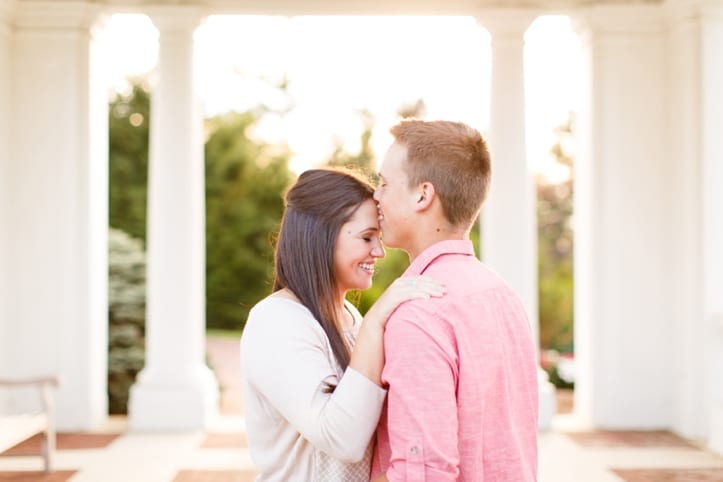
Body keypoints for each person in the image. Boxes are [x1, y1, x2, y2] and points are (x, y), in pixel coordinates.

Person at [241, 168, 445, 482]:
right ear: (321, 234)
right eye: (367, 237)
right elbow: (342, 440)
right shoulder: (277, 321)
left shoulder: (349, 315)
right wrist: (376, 322)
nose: (379, 251)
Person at [370, 119, 539, 481]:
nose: (375, 197)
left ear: (423, 195)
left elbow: (425, 473)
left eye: (384, 183)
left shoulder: (418, 314)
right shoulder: (502, 295)